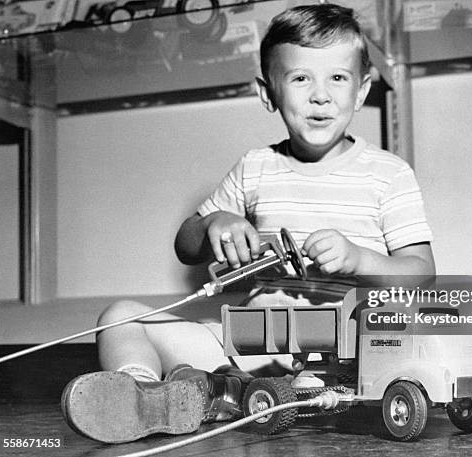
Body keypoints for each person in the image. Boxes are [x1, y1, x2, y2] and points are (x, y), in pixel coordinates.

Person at [61, 3, 435, 444]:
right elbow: (186, 244)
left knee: (313, 372)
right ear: (267, 93)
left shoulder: (388, 174)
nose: (320, 95)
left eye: (338, 77)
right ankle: (140, 393)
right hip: (250, 350)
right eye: (300, 78)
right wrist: (216, 221)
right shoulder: (255, 168)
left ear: (361, 90)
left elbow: (420, 273)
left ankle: (211, 390)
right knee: (118, 316)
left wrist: (359, 258)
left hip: (346, 363)